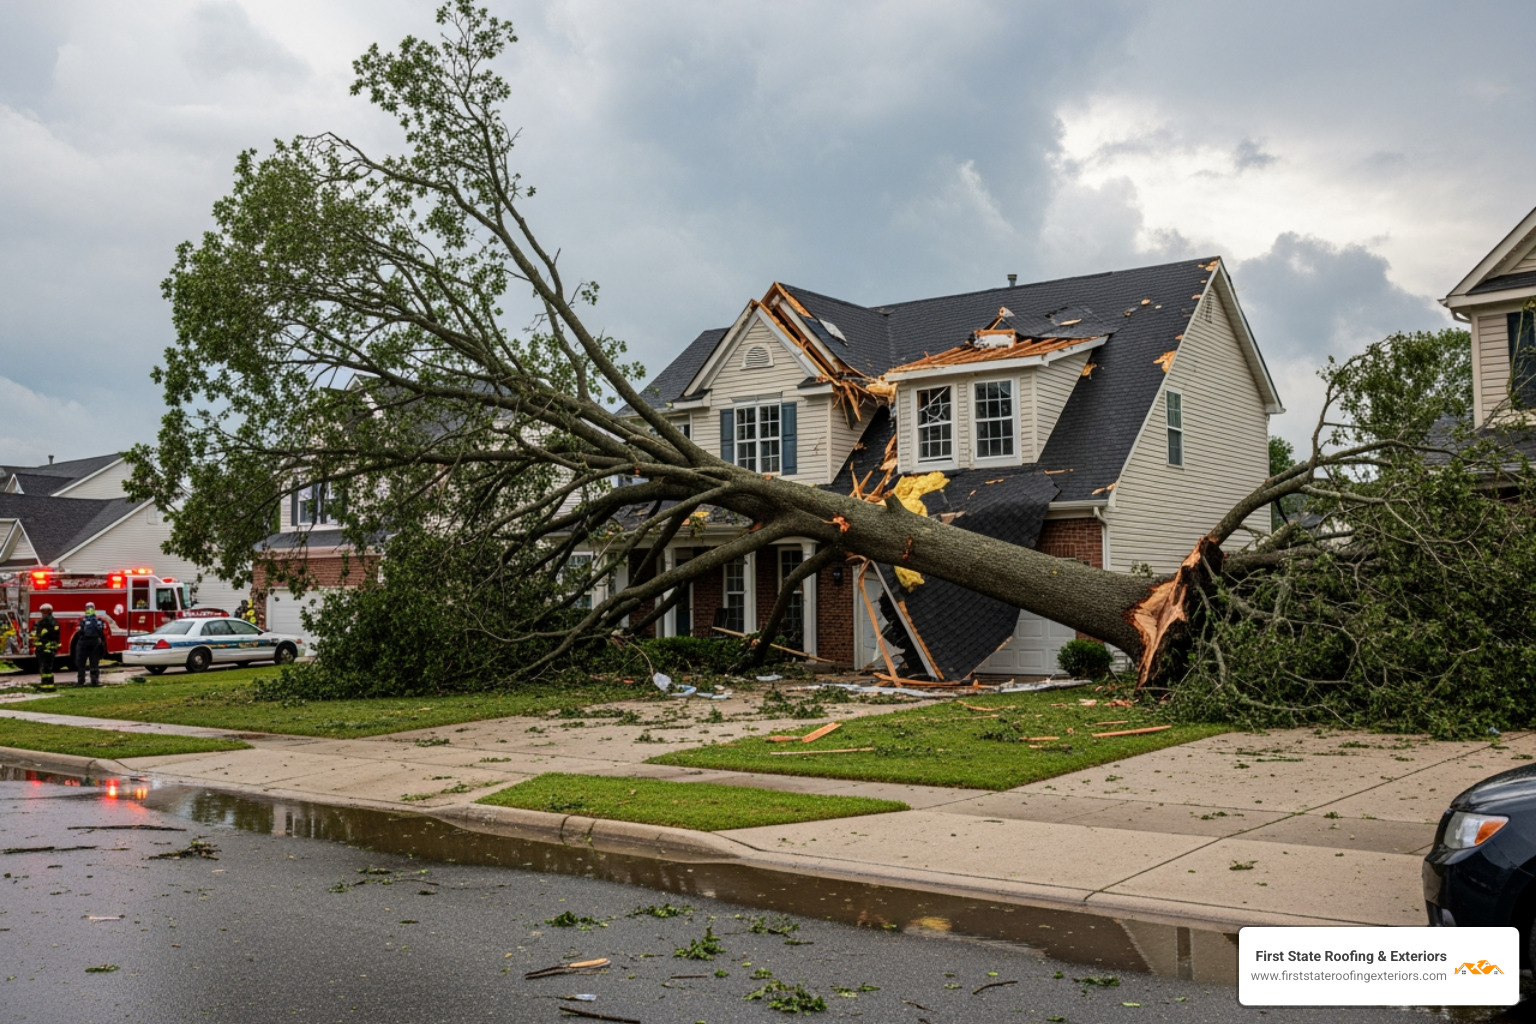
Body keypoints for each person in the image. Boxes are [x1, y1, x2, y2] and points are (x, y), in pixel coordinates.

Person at [75, 602, 107, 687]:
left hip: (83, 643)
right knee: (94, 662)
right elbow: (101, 633)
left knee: (81, 663)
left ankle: (81, 681)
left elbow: (79, 633)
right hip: (94, 642)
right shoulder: (98, 621)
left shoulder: (82, 621)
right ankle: (94, 681)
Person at [33, 604, 60, 692]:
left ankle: (45, 686)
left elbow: (40, 635)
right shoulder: (54, 622)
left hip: (44, 648)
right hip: (50, 649)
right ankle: (49, 685)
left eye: (43, 611)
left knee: (45, 669)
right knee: (48, 668)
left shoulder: (44, 622)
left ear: (48, 611)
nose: (42, 613)